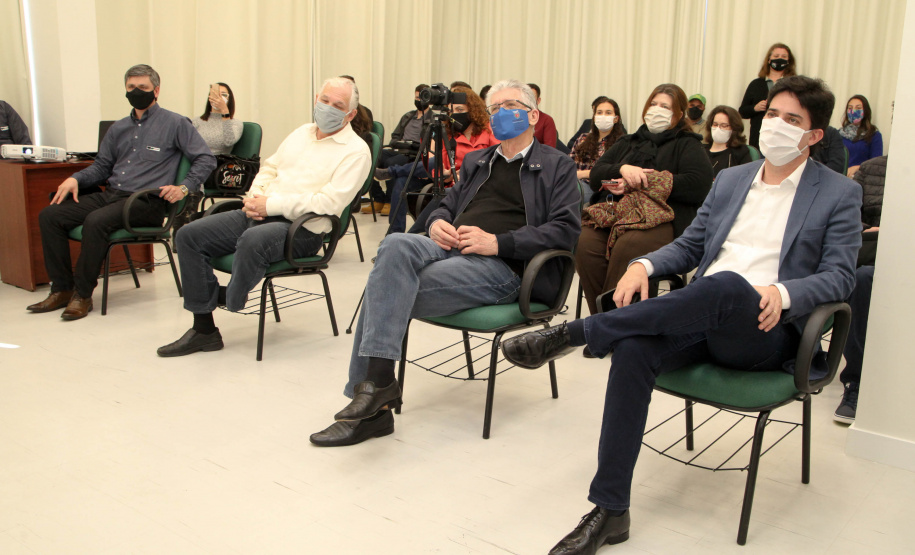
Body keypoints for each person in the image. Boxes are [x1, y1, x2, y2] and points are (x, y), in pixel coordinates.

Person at [500, 76, 861, 554]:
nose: (775, 125)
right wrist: (643, 265)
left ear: (814, 135)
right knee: (634, 347)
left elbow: (841, 276)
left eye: (792, 120)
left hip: (765, 331)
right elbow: (692, 245)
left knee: (729, 285)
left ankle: (580, 331)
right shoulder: (732, 179)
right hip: (703, 315)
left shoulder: (837, 192)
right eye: (772, 114)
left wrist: (785, 291)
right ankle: (611, 510)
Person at [308, 79, 581, 447]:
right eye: (494, 107)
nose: (500, 112)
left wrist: (498, 242)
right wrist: (437, 222)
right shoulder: (477, 160)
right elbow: (446, 204)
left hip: (507, 268)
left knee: (385, 288)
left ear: (533, 114)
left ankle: (372, 401)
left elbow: (565, 230)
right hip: (452, 247)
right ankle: (377, 391)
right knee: (394, 246)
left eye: (510, 105)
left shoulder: (556, 165)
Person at [156, 77, 371, 357]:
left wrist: (271, 205)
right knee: (189, 235)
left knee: (253, 239)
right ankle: (204, 330)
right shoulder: (301, 132)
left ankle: (231, 298)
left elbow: (327, 204)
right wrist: (255, 196)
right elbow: (269, 167)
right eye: (324, 101)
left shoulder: (356, 152)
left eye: (338, 105)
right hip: (263, 210)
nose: (328, 108)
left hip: (303, 231)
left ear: (351, 114)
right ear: (317, 98)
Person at [26, 64, 216, 321]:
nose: (137, 92)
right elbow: (102, 167)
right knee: (50, 215)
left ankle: (82, 295)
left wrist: (184, 188)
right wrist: (75, 178)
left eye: (143, 88)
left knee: (96, 221)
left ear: (156, 91)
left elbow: (205, 159)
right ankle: (62, 288)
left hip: (147, 201)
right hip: (113, 194)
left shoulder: (175, 123)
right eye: (131, 88)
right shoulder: (118, 128)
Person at [577, 84, 713, 322]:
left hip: (662, 219)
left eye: (665, 106)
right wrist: (622, 169)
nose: (656, 110)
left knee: (629, 245)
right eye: (653, 104)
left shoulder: (687, 143)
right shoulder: (629, 141)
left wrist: (644, 181)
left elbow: (698, 185)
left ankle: (610, 324)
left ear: (679, 114)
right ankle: (604, 321)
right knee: (584, 241)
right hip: (617, 214)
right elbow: (597, 172)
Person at [379, 86, 499, 234]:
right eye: (452, 111)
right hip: (451, 182)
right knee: (403, 182)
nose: (455, 114)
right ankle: (396, 235)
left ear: (473, 110)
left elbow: (498, 161)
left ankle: (412, 237)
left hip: (476, 185)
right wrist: (443, 173)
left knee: (444, 196)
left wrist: (469, 173)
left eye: (460, 110)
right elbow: (438, 164)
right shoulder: (447, 132)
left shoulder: (489, 130)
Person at [173, 82, 244, 231]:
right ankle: (179, 222)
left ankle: (185, 224)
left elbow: (229, 141)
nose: (220, 97)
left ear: (230, 99)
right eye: (216, 94)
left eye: (224, 95)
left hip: (217, 166)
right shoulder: (197, 121)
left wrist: (225, 113)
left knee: (196, 169)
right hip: (193, 162)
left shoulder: (235, 123)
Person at [364, 84, 432, 215]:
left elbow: (428, 144)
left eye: (421, 98)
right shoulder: (408, 116)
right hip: (399, 148)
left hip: (414, 152)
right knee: (370, 157)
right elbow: (394, 136)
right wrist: (399, 143)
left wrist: (411, 145)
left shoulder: (431, 119)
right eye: (416, 97)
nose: (418, 101)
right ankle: (378, 198)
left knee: (391, 163)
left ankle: (390, 201)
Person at [740, 43, 797, 148]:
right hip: (759, 138)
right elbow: (742, 111)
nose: (780, 59)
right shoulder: (756, 84)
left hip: (784, 137)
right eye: (776, 56)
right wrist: (755, 108)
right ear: (769, 60)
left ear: (789, 61)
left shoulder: (794, 84)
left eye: (784, 57)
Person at [568, 96, 625, 181]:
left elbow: (612, 172)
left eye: (608, 113)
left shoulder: (621, 143)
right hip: (572, 182)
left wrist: (581, 174)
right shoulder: (583, 137)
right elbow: (569, 162)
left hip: (596, 187)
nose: (603, 116)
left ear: (616, 119)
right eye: (599, 112)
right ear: (594, 117)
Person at [702, 105, 753, 179]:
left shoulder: (741, 152)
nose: (718, 129)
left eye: (724, 125)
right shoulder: (700, 150)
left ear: (734, 128)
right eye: (715, 124)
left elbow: (746, 179)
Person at [840, 95, 883, 178]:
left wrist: (858, 167)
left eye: (858, 108)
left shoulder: (874, 135)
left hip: (861, 179)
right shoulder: (839, 134)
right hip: (840, 178)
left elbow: (876, 164)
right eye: (850, 108)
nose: (853, 111)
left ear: (865, 111)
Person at [528, 83, 558, 147]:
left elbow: (550, 150)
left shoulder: (547, 120)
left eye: (532, 97)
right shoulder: (516, 118)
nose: (528, 100)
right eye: (526, 97)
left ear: (538, 101)